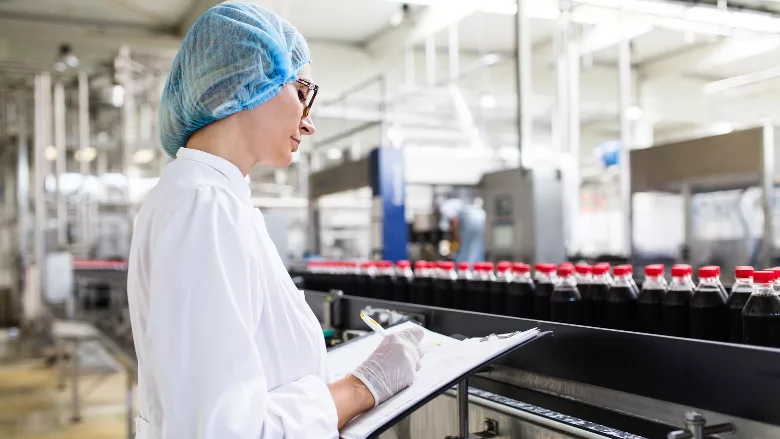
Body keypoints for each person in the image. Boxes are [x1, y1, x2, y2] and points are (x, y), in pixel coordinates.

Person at [126, 3, 425, 438]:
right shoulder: (204, 207)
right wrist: (363, 387)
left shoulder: (208, 198)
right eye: (302, 91)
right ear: (247, 81)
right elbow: (225, 430)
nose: (309, 124)